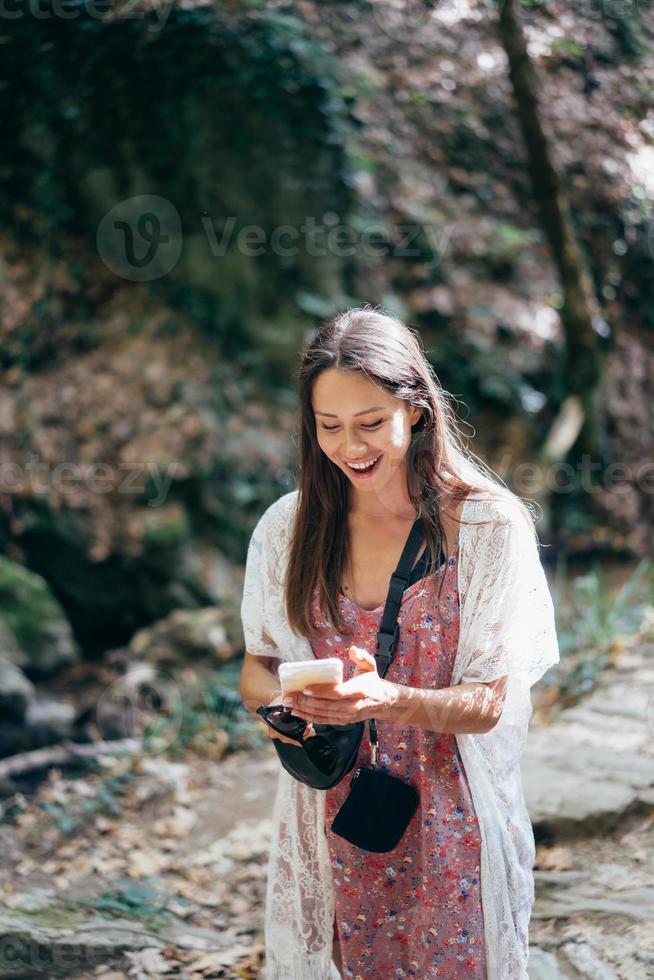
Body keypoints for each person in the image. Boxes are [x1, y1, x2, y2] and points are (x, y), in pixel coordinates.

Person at [239, 307, 560, 980]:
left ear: (414, 410)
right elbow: (256, 670)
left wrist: (387, 698)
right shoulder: (287, 528)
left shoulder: (486, 528)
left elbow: (490, 702)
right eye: (328, 427)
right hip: (334, 808)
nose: (349, 447)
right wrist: (294, 707)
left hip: (452, 816)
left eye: (368, 424)